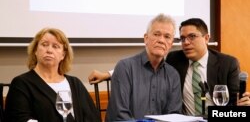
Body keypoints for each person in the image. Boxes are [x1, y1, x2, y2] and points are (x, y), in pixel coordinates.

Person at [88, 18, 250, 114]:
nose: (186, 43)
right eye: (182, 38)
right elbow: (142, 65)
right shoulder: (175, 58)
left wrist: (244, 106)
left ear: (207, 38)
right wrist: (108, 74)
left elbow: (235, 105)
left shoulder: (228, 63)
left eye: (192, 37)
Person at [4, 28, 100, 122]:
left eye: (55, 46)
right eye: (44, 45)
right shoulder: (21, 84)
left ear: (63, 55)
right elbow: (19, 118)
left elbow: (92, 117)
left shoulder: (75, 83)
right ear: (35, 51)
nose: (49, 50)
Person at [105, 14, 182, 121]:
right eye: (156, 34)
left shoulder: (173, 75)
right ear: (146, 38)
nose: (161, 40)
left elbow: (174, 116)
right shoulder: (125, 68)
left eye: (167, 37)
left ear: (171, 43)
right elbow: (119, 116)